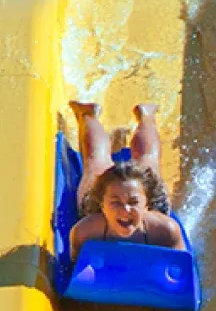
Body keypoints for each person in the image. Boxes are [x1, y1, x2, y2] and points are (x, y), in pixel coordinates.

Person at [68, 101, 185, 260]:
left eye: (134, 202)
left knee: (148, 162)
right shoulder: (86, 231)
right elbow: (75, 269)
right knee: (96, 160)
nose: (125, 210)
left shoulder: (166, 231)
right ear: (103, 205)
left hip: (149, 207)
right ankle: (88, 114)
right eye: (116, 202)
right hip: (97, 204)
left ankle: (147, 115)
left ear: (146, 205)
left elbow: (182, 272)